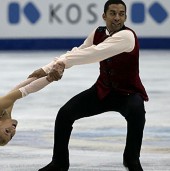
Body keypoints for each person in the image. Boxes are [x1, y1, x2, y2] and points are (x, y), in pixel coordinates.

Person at [29, 0, 148, 170]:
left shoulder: (127, 36)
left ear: (125, 17)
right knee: (64, 114)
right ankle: (59, 163)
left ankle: (131, 161)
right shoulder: (98, 33)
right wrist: (53, 67)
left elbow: (92, 54)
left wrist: (53, 66)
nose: (117, 18)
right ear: (104, 16)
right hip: (103, 91)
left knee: (134, 142)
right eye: (113, 13)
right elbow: (80, 51)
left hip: (129, 95)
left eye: (121, 14)